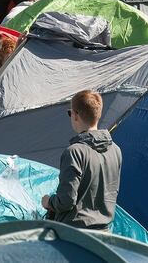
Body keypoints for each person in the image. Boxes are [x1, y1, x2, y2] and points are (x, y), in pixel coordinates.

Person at [42, 90, 122, 230]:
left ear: (75, 115)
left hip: (74, 235)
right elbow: (112, 192)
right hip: (103, 233)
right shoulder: (116, 150)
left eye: (70, 113)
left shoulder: (74, 152)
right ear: (98, 114)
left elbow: (65, 201)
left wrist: (49, 202)